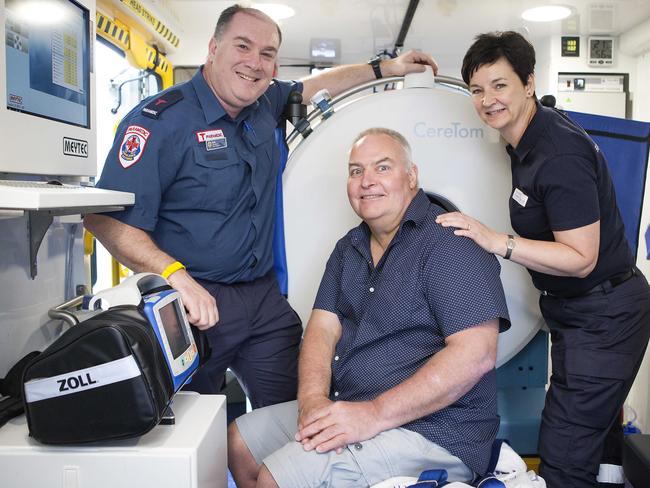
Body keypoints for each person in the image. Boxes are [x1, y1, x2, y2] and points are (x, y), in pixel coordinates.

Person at [83, 5, 438, 407]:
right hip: (193, 300)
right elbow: (104, 220)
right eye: (243, 46)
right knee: (190, 431)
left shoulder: (264, 105)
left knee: (292, 415)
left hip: (264, 301)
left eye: (267, 54)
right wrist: (174, 275)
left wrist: (384, 69)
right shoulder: (160, 123)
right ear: (213, 48)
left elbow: (312, 86)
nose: (254, 63)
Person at [228, 128, 511, 487]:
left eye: (382, 168)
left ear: (411, 176)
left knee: (275, 478)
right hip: (351, 403)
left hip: (435, 429)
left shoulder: (448, 244)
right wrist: (312, 401)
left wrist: (374, 414)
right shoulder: (350, 248)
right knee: (240, 443)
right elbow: (322, 328)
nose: (367, 182)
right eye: (356, 171)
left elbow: (476, 354)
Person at [436, 31, 650, 488]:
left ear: (528, 82)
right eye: (477, 89)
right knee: (593, 441)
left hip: (604, 315)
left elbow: (580, 258)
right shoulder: (525, 139)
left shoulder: (557, 153)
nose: (488, 99)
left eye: (500, 85)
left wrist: (499, 242)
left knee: (563, 457)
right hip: (579, 313)